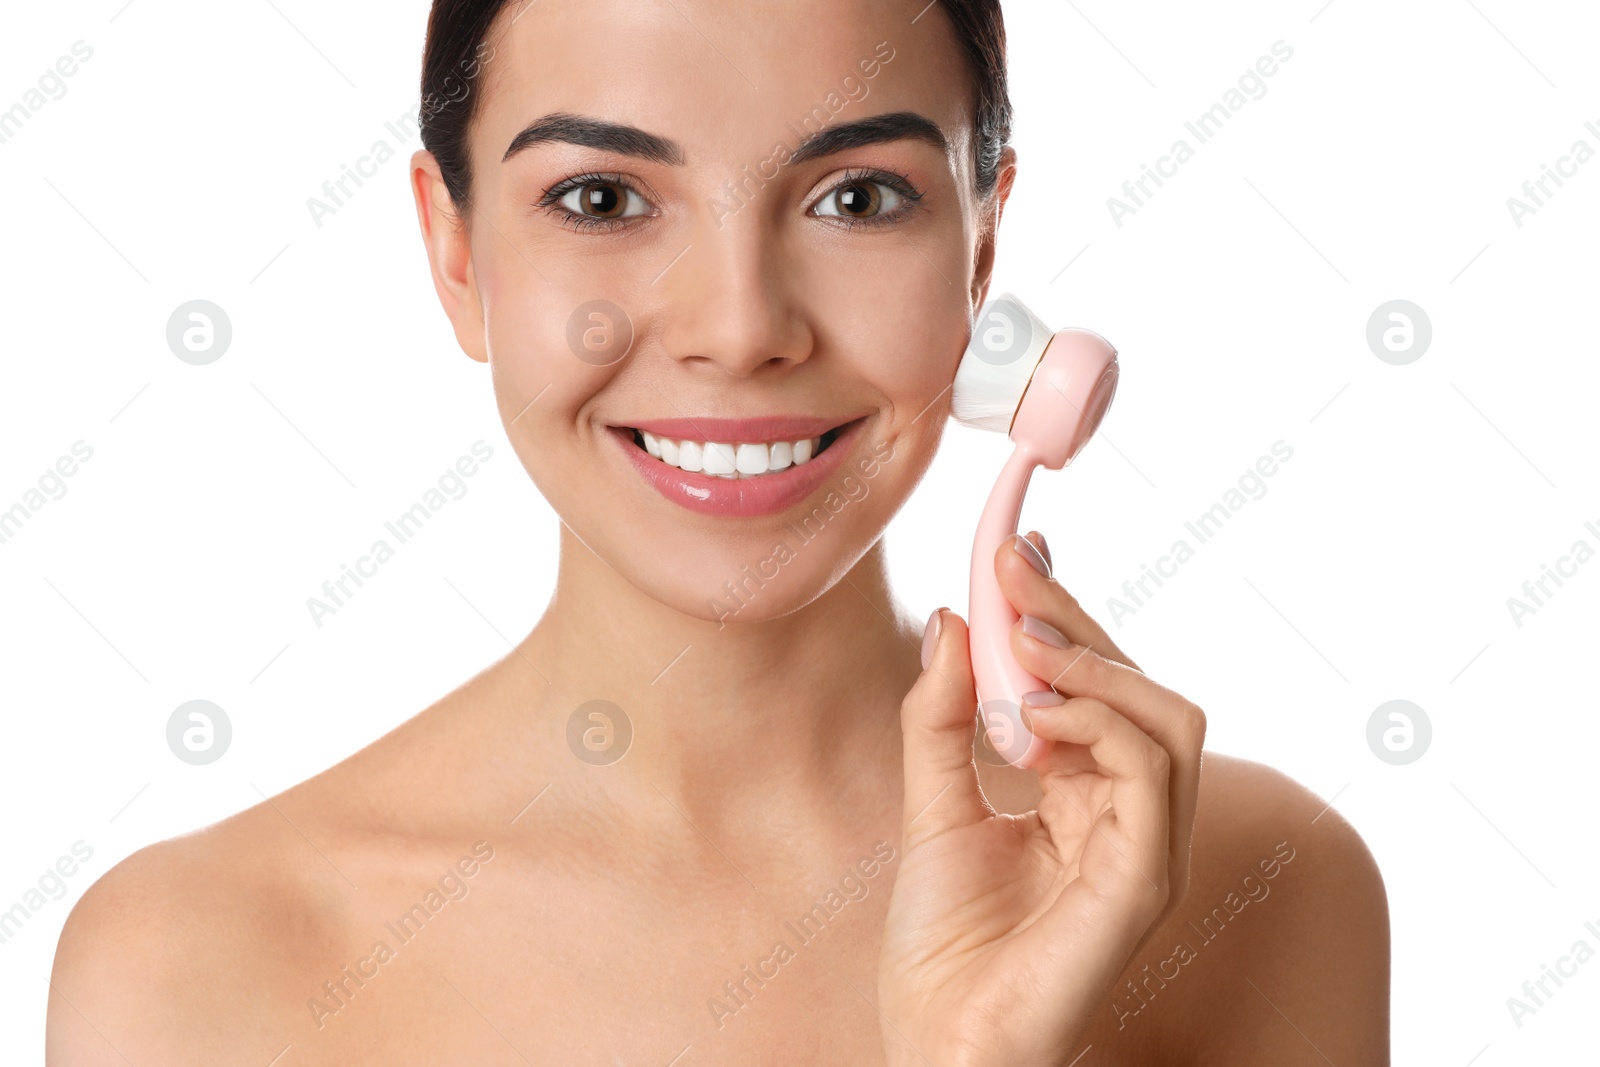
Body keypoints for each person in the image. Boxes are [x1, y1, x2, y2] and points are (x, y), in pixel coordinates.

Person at [47, 1, 1389, 1062]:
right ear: (457, 257)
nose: (742, 329)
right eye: (602, 199)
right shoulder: (190, 963)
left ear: (981, 258)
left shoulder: (1256, 893)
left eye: (857, 197)